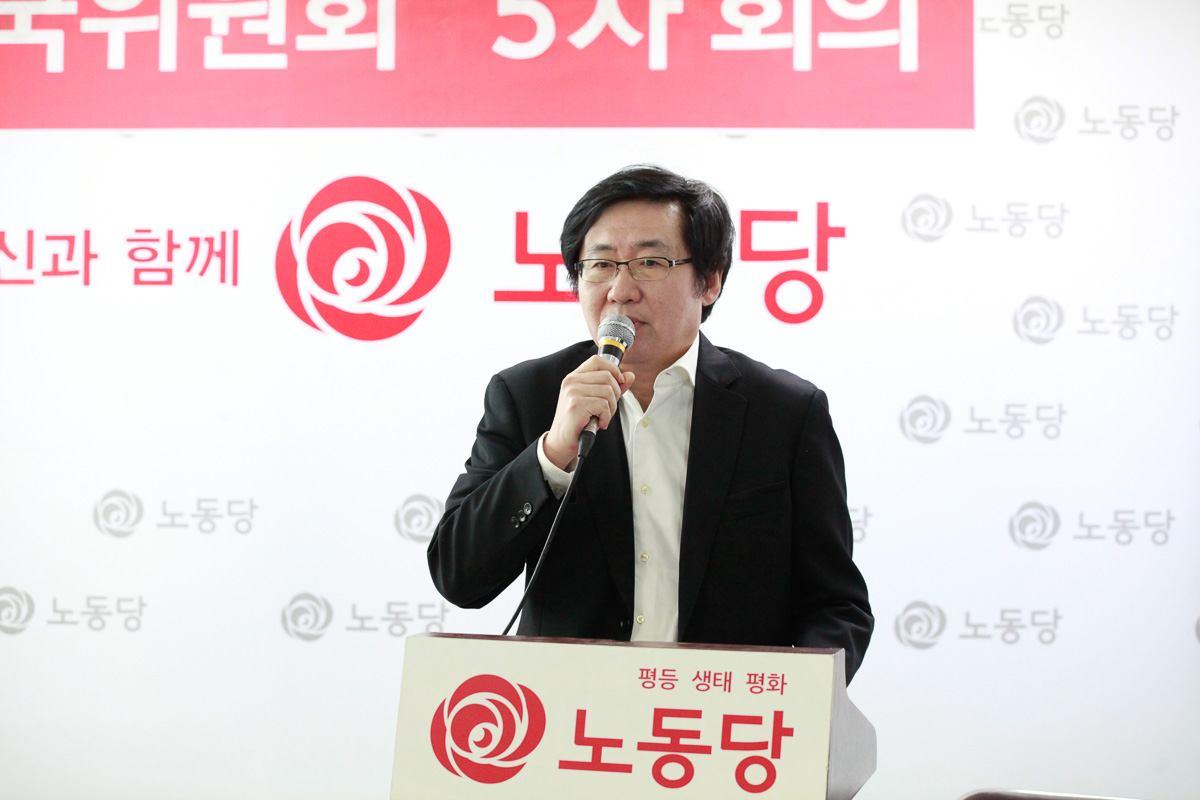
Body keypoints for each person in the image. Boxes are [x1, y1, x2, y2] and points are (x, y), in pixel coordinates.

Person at [427, 165, 873, 680]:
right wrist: (550, 456)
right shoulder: (528, 395)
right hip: (568, 713)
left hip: (718, 717)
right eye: (600, 265)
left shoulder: (785, 412)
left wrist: (803, 699)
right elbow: (458, 576)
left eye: (650, 263)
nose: (620, 290)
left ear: (710, 281)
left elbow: (835, 605)